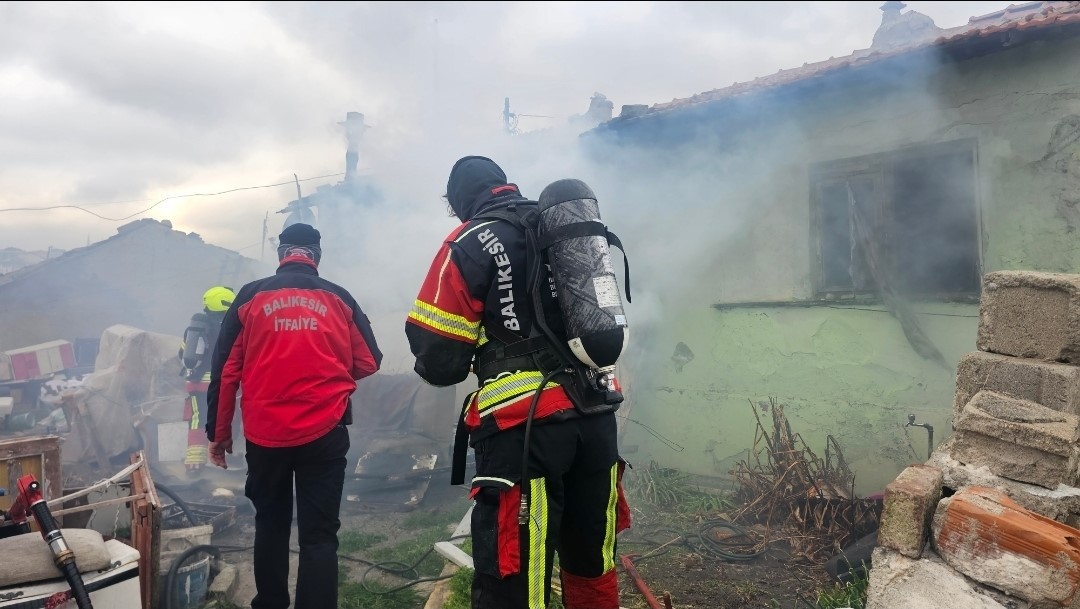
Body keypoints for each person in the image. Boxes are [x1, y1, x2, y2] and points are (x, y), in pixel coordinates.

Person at [405, 156, 630, 609]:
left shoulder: (468, 241)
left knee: (516, 581)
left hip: (527, 433)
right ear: (504, 185)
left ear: (457, 202)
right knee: (593, 563)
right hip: (597, 419)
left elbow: (440, 360)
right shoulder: (562, 227)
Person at [206, 223, 382, 609]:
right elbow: (369, 360)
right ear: (316, 256)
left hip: (265, 436)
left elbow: (225, 372)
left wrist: (218, 435)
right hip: (326, 432)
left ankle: (270, 603)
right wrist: (327, 375)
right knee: (319, 535)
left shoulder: (250, 297)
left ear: (282, 254)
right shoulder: (340, 298)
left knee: (270, 523)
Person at [177, 285, 235, 472]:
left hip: (198, 384)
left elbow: (184, 354)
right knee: (227, 418)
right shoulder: (232, 327)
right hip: (225, 384)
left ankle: (194, 464)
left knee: (198, 419)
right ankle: (225, 459)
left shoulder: (197, 326)